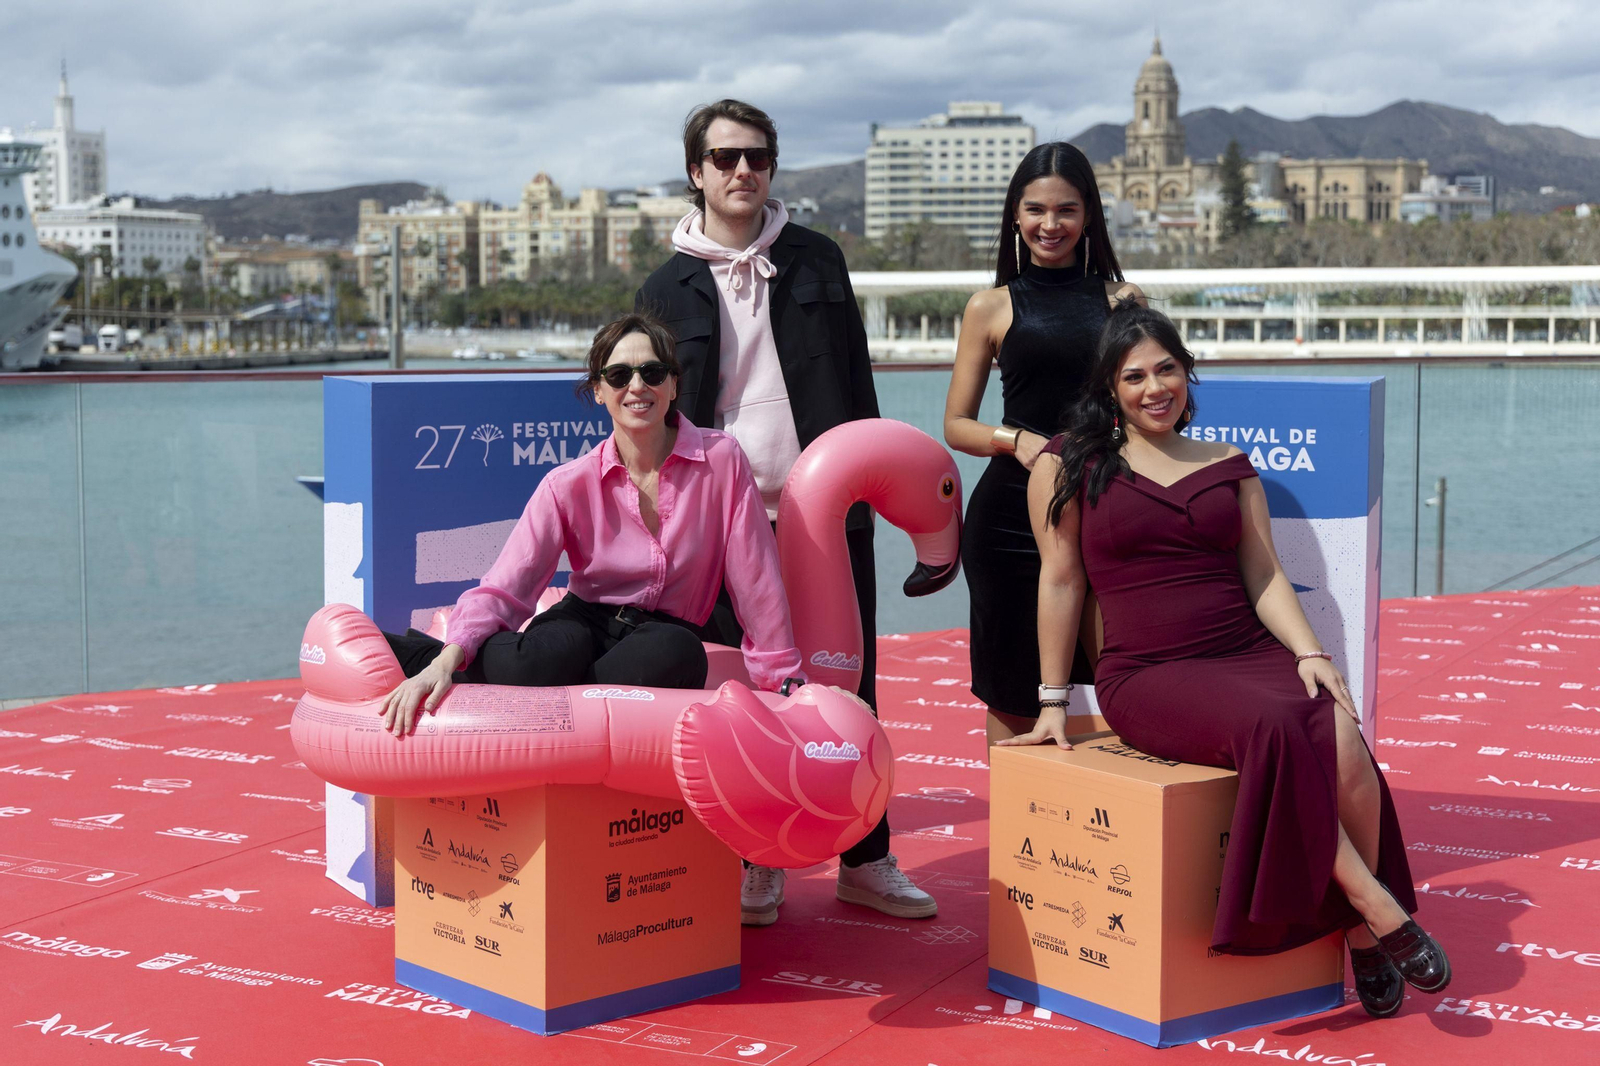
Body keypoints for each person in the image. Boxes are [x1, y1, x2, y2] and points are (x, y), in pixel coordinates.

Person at [1009, 304, 1449, 1018]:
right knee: (1275, 725)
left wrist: (1310, 653)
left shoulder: (1227, 465)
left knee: (1340, 738)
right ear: (1110, 389)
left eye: (1167, 369)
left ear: (1187, 373)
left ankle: (1364, 942)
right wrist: (1054, 699)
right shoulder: (1070, 464)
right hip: (1148, 672)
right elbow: (1060, 580)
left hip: (1243, 650)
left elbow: (1265, 573)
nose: (1156, 387)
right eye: (1135, 376)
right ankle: (1375, 909)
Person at [636, 98, 935, 925]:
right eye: (726, 158)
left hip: (826, 523)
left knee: (850, 689)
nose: (744, 171)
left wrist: (873, 493)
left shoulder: (816, 261)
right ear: (695, 172)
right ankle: (758, 863)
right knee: (743, 696)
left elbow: (858, 383)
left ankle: (866, 858)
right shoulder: (665, 286)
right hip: (720, 530)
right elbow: (648, 413)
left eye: (759, 157)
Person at [377, 312, 805, 736]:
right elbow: (506, 587)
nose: (637, 386)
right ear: (599, 390)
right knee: (545, 657)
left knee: (676, 652)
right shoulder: (567, 484)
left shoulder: (723, 461)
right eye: (619, 375)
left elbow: (756, 579)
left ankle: (552, 699)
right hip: (583, 623)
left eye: (652, 372)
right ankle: (424, 657)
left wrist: (782, 678)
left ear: (673, 384)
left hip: (664, 634)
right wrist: (443, 663)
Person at [942, 143, 1143, 746]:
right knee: (1013, 691)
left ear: (1089, 218)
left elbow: (1150, 404)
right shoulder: (990, 306)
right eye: (1035, 210)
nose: (1050, 225)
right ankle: (1017, 831)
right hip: (1007, 519)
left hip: (1107, 506)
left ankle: (1116, 827)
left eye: (1066, 210)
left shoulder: (1123, 302)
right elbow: (956, 424)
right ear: (1015, 216)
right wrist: (1021, 441)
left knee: (1125, 681)